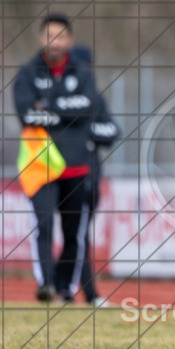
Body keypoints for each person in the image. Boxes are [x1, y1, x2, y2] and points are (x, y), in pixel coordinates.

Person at [13, 14, 100, 303]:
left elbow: (87, 109)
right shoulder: (27, 74)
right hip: (41, 166)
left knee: (74, 234)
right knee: (45, 225)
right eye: (50, 35)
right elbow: (26, 114)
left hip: (77, 166)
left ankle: (65, 288)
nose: (55, 41)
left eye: (61, 36)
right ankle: (47, 284)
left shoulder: (84, 74)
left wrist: (49, 106)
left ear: (70, 40)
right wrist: (65, 109)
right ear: (41, 38)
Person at [70, 45, 119, 307]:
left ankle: (85, 292)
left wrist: (83, 131)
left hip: (89, 176)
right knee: (66, 235)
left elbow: (111, 131)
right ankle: (65, 288)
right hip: (58, 176)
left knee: (79, 235)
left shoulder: (95, 99)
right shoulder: (54, 95)